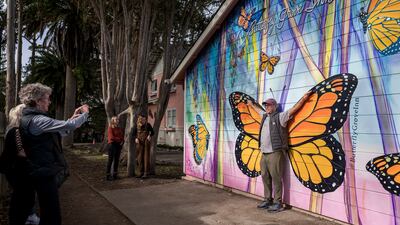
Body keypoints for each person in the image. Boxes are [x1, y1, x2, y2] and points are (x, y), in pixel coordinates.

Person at [18, 83, 89, 225]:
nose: (49, 102)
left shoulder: (31, 119)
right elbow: (68, 127)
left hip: (38, 170)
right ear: (38, 101)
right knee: (52, 215)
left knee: (49, 212)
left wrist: (72, 119)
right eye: (47, 98)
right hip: (42, 172)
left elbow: (61, 129)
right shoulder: (38, 120)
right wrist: (85, 114)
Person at [257, 91, 311, 212]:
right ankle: (267, 199)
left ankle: (278, 203)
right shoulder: (264, 116)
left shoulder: (280, 117)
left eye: (270, 105)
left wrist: (304, 98)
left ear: (275, 106)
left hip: (275, 153)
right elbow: (256, 110)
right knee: (265, 176)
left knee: (276, 178)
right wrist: (249, 104)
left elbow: (294, 109)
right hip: (264, 153)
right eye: (266, 105)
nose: (267, 107)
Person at [0, 104, 37, 225]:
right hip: (18, 170)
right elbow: (22, 153)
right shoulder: (16, 131)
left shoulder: (14, 130)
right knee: (22, 197)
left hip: (15, 169)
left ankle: (27, 217)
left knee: (21, 196)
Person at [132, 114, 154, 178]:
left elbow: (152, 132)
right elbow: (133, 134)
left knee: (146, 157)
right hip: (139, 143)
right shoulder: (136, 126)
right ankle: (140, 172)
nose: (144, 120)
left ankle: (146, 173)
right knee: (139, 157)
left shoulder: (148, 125)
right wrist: (136, 138)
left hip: (146, 143)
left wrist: (149, 136)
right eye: (142, 119)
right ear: (140, 119)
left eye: (145, 119)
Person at [106, 116, 124, 181]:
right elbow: (111, 137)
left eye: (117, 119)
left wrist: (122, 141)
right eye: (116, 119)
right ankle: (108, 175)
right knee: (110, 160)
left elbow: (122, 136)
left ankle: (115, 174)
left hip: (118, 145)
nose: (117, 120)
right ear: (112, 121)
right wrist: (119, 139)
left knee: (117, 160)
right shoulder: (110, 128)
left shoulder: (119, 128)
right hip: (112, 145)